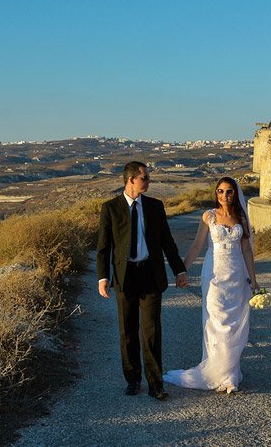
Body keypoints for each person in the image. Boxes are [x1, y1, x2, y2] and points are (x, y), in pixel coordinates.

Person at [97, 161, 189, 400]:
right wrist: (103, 278)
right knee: (127, 330)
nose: (149, 182)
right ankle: (133, 378)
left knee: (151, 331)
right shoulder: (110, 208)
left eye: (148, 178)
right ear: (131, 180)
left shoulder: (155, 207)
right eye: (145, 178)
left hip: (150, 274)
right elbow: (103, 248)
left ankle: (155, 384)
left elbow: (167, 242)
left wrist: (179, 271)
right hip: (125, 277)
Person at [163, 176, 259, 394]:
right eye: (220, 191)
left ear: (235, 194)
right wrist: (182, 271)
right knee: (216, 321)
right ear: (216, 193)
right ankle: (217, 372)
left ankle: (230, 374)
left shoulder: (241, 217)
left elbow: (246, 250)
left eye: (229, 192)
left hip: (236, 274)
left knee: (233, 323)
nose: (224, 196)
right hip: (214, 274)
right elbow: (197, 246)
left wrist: (254, 279)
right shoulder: (209, 216)